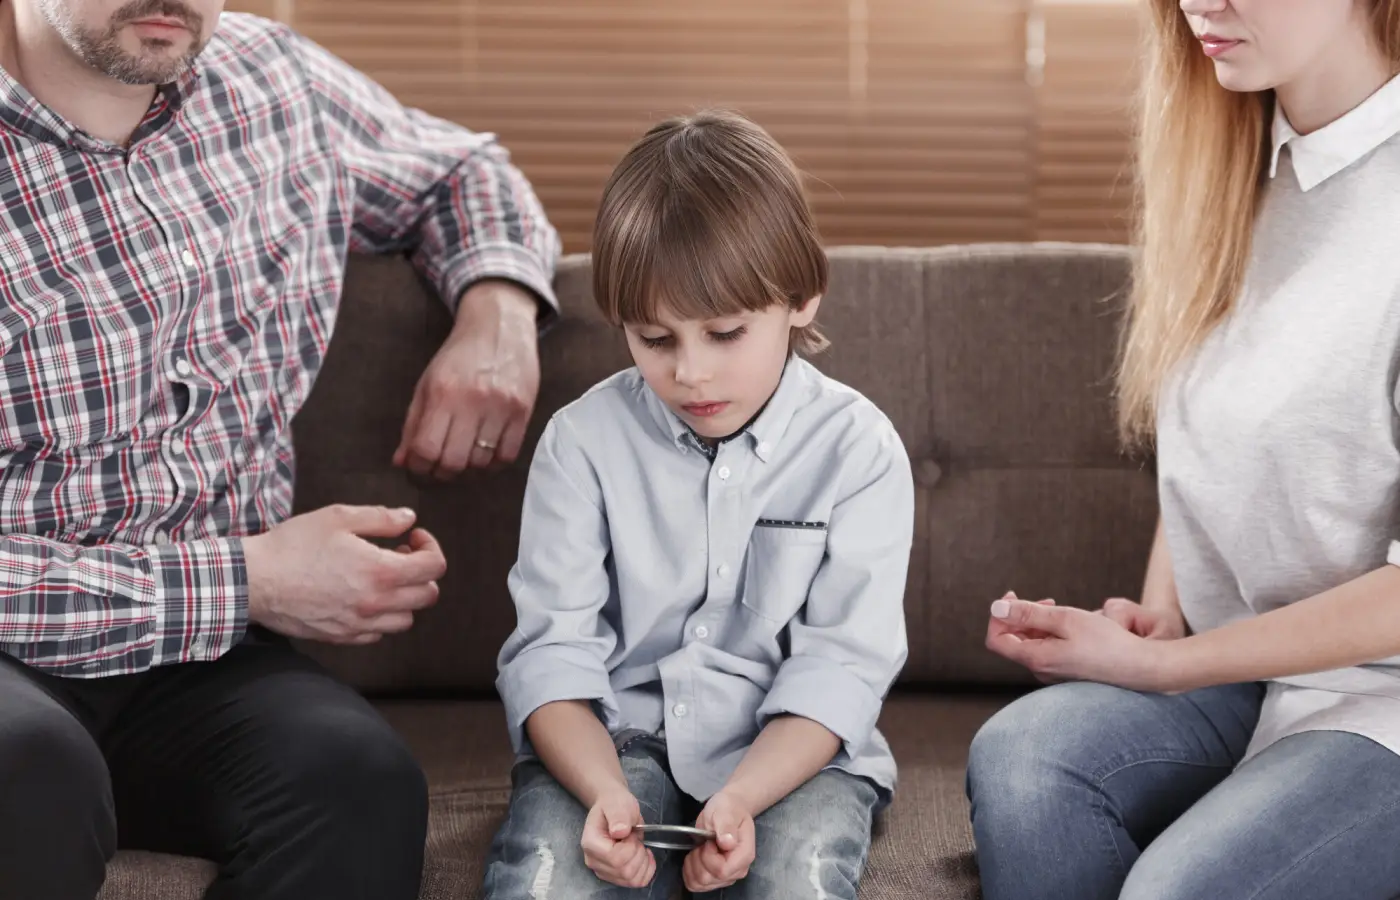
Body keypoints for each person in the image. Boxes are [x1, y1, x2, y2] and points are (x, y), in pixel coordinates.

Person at [0, 1, 559, 898]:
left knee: (358, 784)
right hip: (17, 651)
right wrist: (250, 581)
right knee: (26, 775)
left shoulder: (270, 80)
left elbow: (460, 171)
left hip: (204, 668)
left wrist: (497, 309)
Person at [965, 1, 1400, 898]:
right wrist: (1165, 608)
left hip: (1383, 702)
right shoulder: (1237, 159)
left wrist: (1159, 665)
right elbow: (1221, 428)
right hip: (1251, 674)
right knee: (1026, 759)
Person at [481, 110, 913, 899]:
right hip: (614, 744)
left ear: (804, 296)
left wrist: (744, 796)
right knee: (546, 883)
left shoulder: (858, 449)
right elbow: (552, 658)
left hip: (793, 753)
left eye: (724, 333)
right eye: (653, 339)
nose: (690, 374)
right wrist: (604, 789)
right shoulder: (581, 444)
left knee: (797, 882)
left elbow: (840, 668)